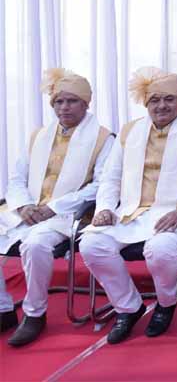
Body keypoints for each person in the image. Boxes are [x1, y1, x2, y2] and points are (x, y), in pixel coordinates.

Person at [80, 67, 177, 343]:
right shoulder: (130, 131)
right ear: (145, 103)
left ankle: (166, 304)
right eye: (154, 100)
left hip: (175, 214)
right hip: (130, 213)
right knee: (91, 244)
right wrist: (105, 207)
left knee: (160, 250)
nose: (161, 106)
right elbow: (111, 176)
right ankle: (128, 307)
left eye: (169, 99)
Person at [1, 69, 116, 347]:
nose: (64, 107)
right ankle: (4, 310)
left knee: (35, 245)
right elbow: (16, 178)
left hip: (68, 215)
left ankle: (34, 313)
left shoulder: (103, 139)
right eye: (59, 102)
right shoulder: (38, 136)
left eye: (72, 101)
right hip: (29, 211)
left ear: (86, 103)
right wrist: (24, 205)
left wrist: (53, 207)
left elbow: (101, 185)